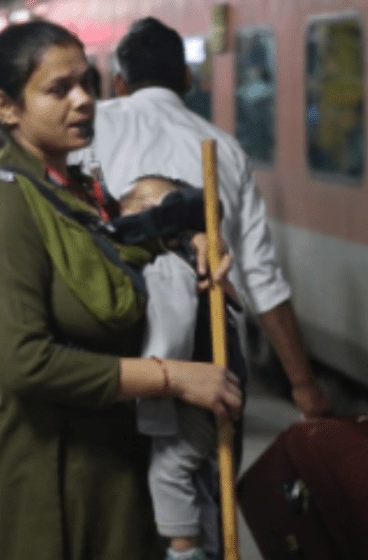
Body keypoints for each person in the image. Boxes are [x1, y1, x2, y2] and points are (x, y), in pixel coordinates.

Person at [0, 21, 242, 560]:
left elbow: (127, 246)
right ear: (6, 106)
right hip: (60, 487)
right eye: (59, 90)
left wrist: (192, 237)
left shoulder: (79, 189)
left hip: (118, 468)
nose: (84, 101)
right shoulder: (1, 205)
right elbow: (24, 363)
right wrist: (172, 377)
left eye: (88, 83)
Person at [68, 17, 333, 419]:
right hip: (213, 357)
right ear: (188, 79)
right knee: (204, 474)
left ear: (119, 83)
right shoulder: (225, 149)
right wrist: (303, 384)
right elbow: (260, 278)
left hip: (119, 354)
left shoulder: (85, 131)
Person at [120, 175, 245, 560]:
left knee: (170, 470)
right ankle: (206, 545)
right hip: (221, 379)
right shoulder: (187, 261)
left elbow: (169, 336)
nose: (133, 207)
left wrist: (153, 379)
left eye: (146, 204)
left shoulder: (167, 268)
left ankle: (184, 551)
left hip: (199, 388)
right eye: (134, 200)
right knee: (197, 476)